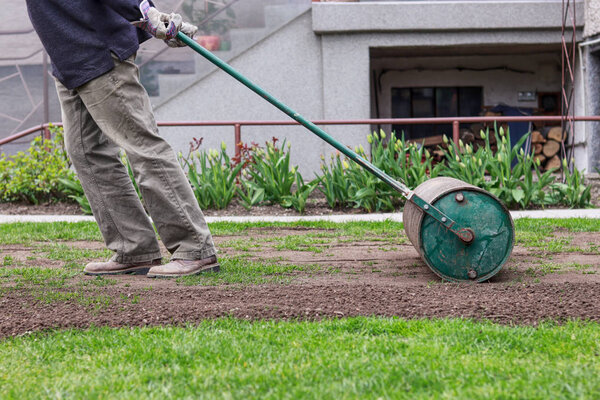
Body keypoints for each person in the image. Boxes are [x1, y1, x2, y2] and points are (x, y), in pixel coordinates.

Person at [25, 0, 219, 278]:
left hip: (97, 51)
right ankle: (133, 248)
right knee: (86, 152)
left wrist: (144, 10)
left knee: (142, 145)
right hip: (68, 57)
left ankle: (194, 249)